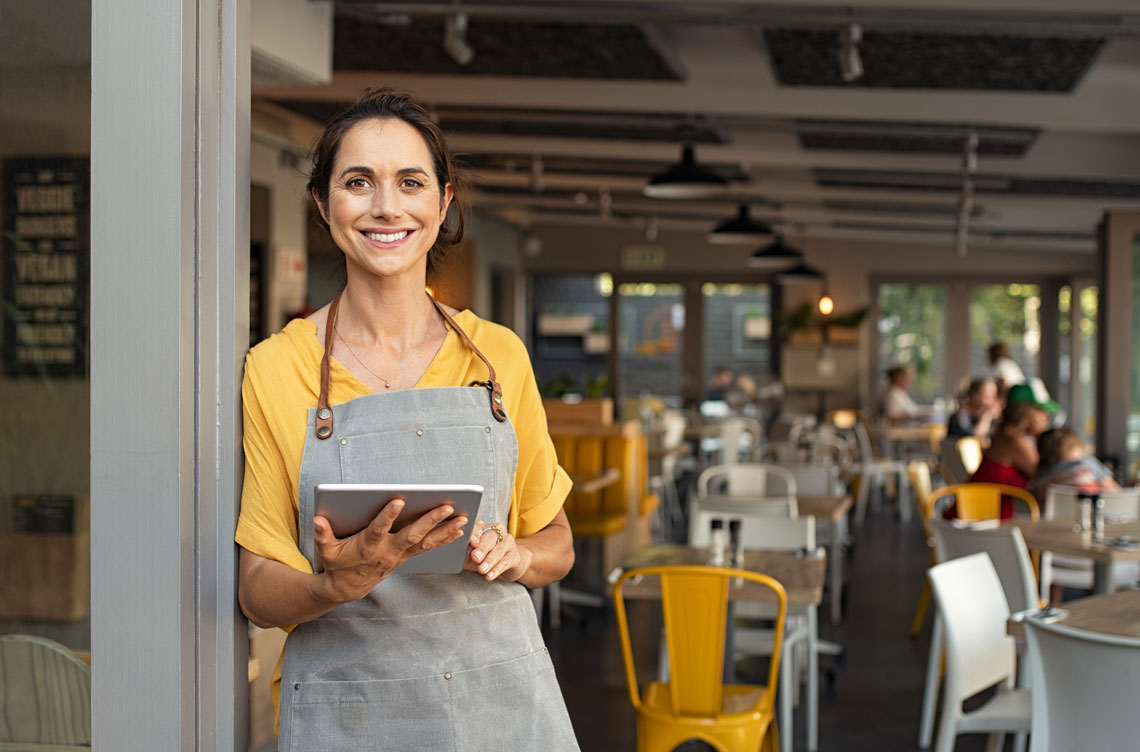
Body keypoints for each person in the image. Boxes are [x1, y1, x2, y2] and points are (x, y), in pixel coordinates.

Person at [235, 90, 579, 750]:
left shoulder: (498, 356)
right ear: (322, 203)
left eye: (410, 182)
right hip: (350, 711)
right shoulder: (277, 368)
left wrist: (519, 553)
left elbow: (556, 541)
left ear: (442, 203)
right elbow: (256, 590)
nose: (386, 206)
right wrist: (337, 582)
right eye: (357, 182)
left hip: (498, 705)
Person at [949, 401, 1051, 519]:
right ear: (1029, 414)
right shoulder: (1014, 440)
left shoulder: (1006, 435)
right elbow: (1045, 474)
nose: (1046, 418)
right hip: (973, 520)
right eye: (1042, 414)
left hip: (980, 517)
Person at [1034, 427, 1119, 499]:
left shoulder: (1040, 478)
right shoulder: (1086, 464)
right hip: (1089, 515)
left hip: (1056, 518)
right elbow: (1115, 492)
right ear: (1076, 447)